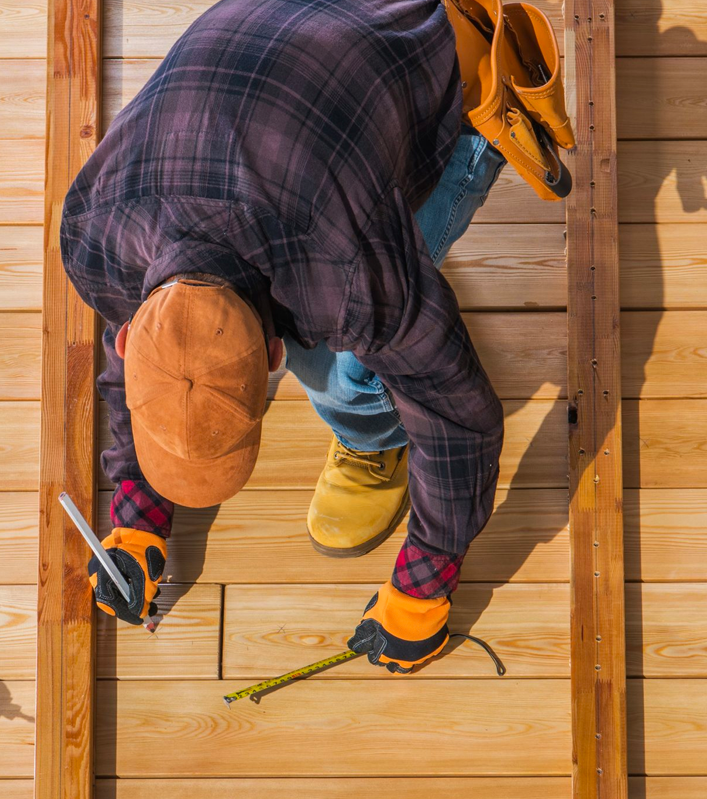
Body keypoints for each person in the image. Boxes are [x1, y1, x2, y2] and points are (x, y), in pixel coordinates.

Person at [60, 0, 508, 673]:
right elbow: (154, 354)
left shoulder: (345, 269)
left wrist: (426, 580)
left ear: (274, 356)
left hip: (440, 41)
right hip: (292, 38)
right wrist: (137, 507)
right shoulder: (96, 230)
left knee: (346, 368)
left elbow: (458, 411)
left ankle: (370, 440)